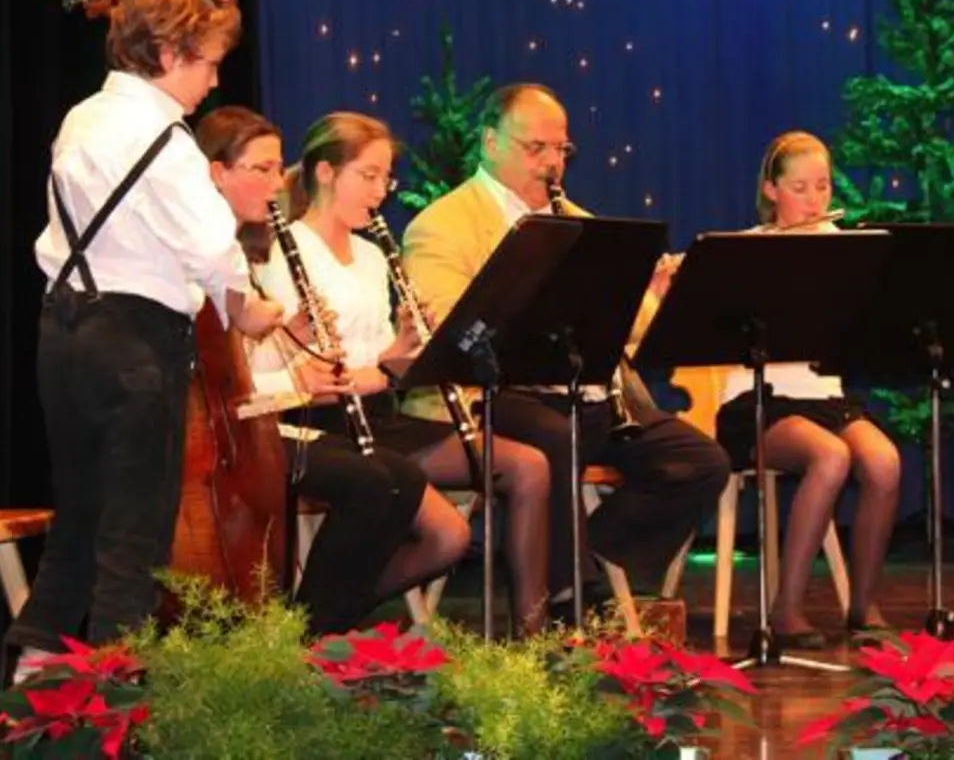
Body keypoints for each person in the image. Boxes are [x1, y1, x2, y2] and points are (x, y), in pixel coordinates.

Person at [5, 0, 286, 670]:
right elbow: (211, 246)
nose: (215, 80)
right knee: (135, 545)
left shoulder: (82, 118)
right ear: (168, 54)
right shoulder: (168, 143)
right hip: (136, 345)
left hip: (63, 337)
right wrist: (247, 308)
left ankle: (27, 704)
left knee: (78, 530)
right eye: (209, 63)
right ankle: (111, 724)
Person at [400, 82, 731, 623]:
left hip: (584, 393)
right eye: (537, 149)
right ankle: (568, 594)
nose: (553, 163)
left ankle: (590, 551)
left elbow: (630, 331)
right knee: (555, 434)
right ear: (490, 141)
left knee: (698, 461)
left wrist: (650, 295)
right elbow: (449, 329)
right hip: (494, 395)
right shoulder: (442, 224)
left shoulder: (579, 217)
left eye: (562, 150)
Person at [245, 110, 554, 635]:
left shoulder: (370, 255)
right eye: (368, 176)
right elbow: (300, 371)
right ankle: (313, 624)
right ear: (324, 173)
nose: (381, 192)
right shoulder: (282, 253)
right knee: (447, 536)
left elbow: (381, 360)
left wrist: (411, 348)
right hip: (321, 422)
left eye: (385, 178)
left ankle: (533, 631)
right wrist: (382, 370)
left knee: (528, 466)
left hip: (379, 413)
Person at [197, 106, 476, 637]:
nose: (277, 181)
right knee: (375, 481)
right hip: (270, 427)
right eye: (262, 168)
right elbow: (233, 380)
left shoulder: (359, 255)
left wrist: (398, 349)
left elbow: (281, 362)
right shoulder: (254, 254)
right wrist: (299, 371)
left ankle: (320, 622)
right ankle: (309, 631)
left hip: (313, 412)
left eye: (277, 167)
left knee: (398, 479)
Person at [713, 131, 903, 646]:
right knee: (830, 457)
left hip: (827, 399)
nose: (816, 200)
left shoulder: (846, 253)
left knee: (884, 463)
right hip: (758, 401)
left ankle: (862, 608)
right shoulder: (747, 250)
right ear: (772, 190)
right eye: (801, 187)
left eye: (823, 186)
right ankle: (785, 609)